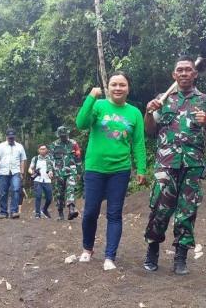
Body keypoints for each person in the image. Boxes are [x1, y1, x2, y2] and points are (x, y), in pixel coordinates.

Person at [142, 55, 206, 275]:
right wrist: (148, 112)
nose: (184, 73)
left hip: (192, 166)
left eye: (188, 70)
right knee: (159, 209)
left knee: (187, 212)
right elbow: (149, 130)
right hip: (165, 165)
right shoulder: (162, 99)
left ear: (194, 74)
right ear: (174, 75)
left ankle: (180, 257)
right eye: (180, 70)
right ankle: (152, 250)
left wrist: (205, 124)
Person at [76, 71, 147, 271]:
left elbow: (139, 143)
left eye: (122, 85)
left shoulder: (134, 113)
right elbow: (81, 123)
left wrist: (141, 168)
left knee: (114, 213)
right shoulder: (98, 105)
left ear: (128, 89)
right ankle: (87, 249)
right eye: (114, 84)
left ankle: (110, 256)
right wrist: (91, 97)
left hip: (120, 169)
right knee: (90, 211)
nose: (118, 88)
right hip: (95, 168)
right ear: (108, 87)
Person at [48, 126, 82, 220]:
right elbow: (50, 158)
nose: (64, 137)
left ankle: (71, 209)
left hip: (71, 170)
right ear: (59, 135)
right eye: (62, 136)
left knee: (71, 187)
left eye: (65, 135)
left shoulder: (74, 144)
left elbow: (78, 157)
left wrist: (79, 172)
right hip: (59, 172)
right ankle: (60, 213)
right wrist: (50, 170)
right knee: (60, 193)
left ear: (68, 134)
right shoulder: (54, 145)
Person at [0, 128, 27, 219]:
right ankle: (3, 212)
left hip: (15, 171)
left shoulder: (20, 146)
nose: (11, 139)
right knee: (3, 192)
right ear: (6, 137)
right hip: (3, 172)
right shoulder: (0, 146)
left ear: (14, 137)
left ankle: (14, 211)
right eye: (9, 138)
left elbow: (22, 160)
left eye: (12, 137)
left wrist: (22, 172)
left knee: (16, 190)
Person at [28, 144, 55, 218]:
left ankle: (44, 209)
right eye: (41, 149)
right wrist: (33, 172)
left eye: (44, 149)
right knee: (38, 196)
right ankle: (37, 213)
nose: (43, 150)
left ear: (46, 150)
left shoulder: (50, 158)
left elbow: (54, 167)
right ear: (38, 150)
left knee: (49, 198)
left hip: (47, 180)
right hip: (38, 180)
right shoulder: (35, 158)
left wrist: (51, 172)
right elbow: (30, 168)